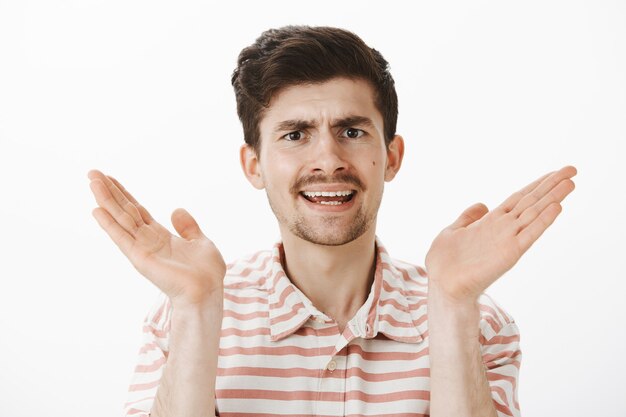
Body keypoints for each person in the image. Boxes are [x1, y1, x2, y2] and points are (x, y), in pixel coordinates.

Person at [88, 25, 576, 417]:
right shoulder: (179, 315)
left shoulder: (478, 319)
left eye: (351, 130)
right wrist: (195, 311)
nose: (328, 158)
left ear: (390, 156)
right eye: (296, 134)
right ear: (254, 165)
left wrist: (450, 306)